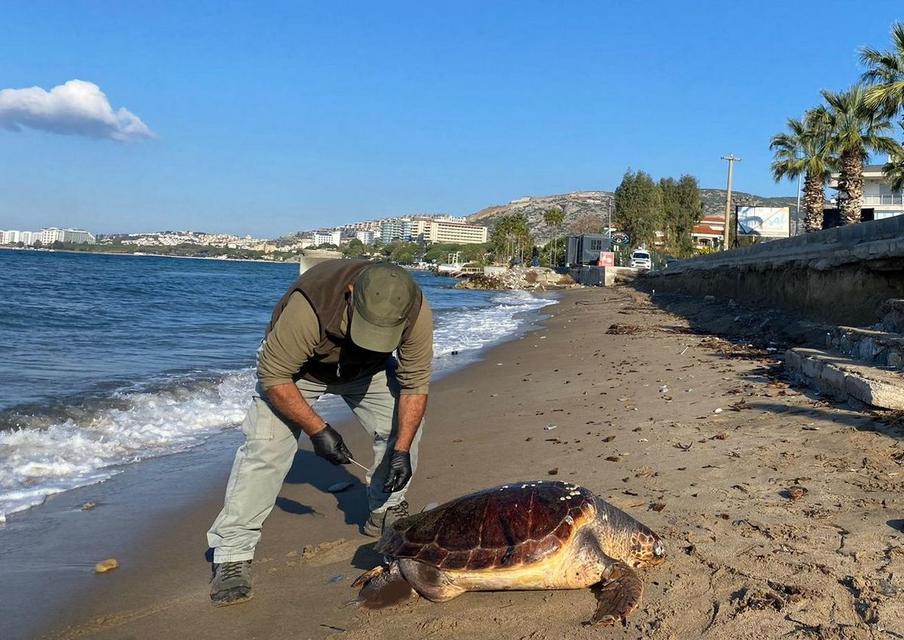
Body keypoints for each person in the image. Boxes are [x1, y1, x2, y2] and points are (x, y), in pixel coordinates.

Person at [206, 259, 432, 606]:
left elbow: (415, 385)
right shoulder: (309, 306)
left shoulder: (414, 309)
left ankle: (385, 508)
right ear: (351, 294)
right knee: (265, 450)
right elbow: (274, 377)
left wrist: (401, 450)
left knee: (404, 429)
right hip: (298, 374)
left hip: (365, 373)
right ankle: (232, 554)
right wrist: (318, 429)